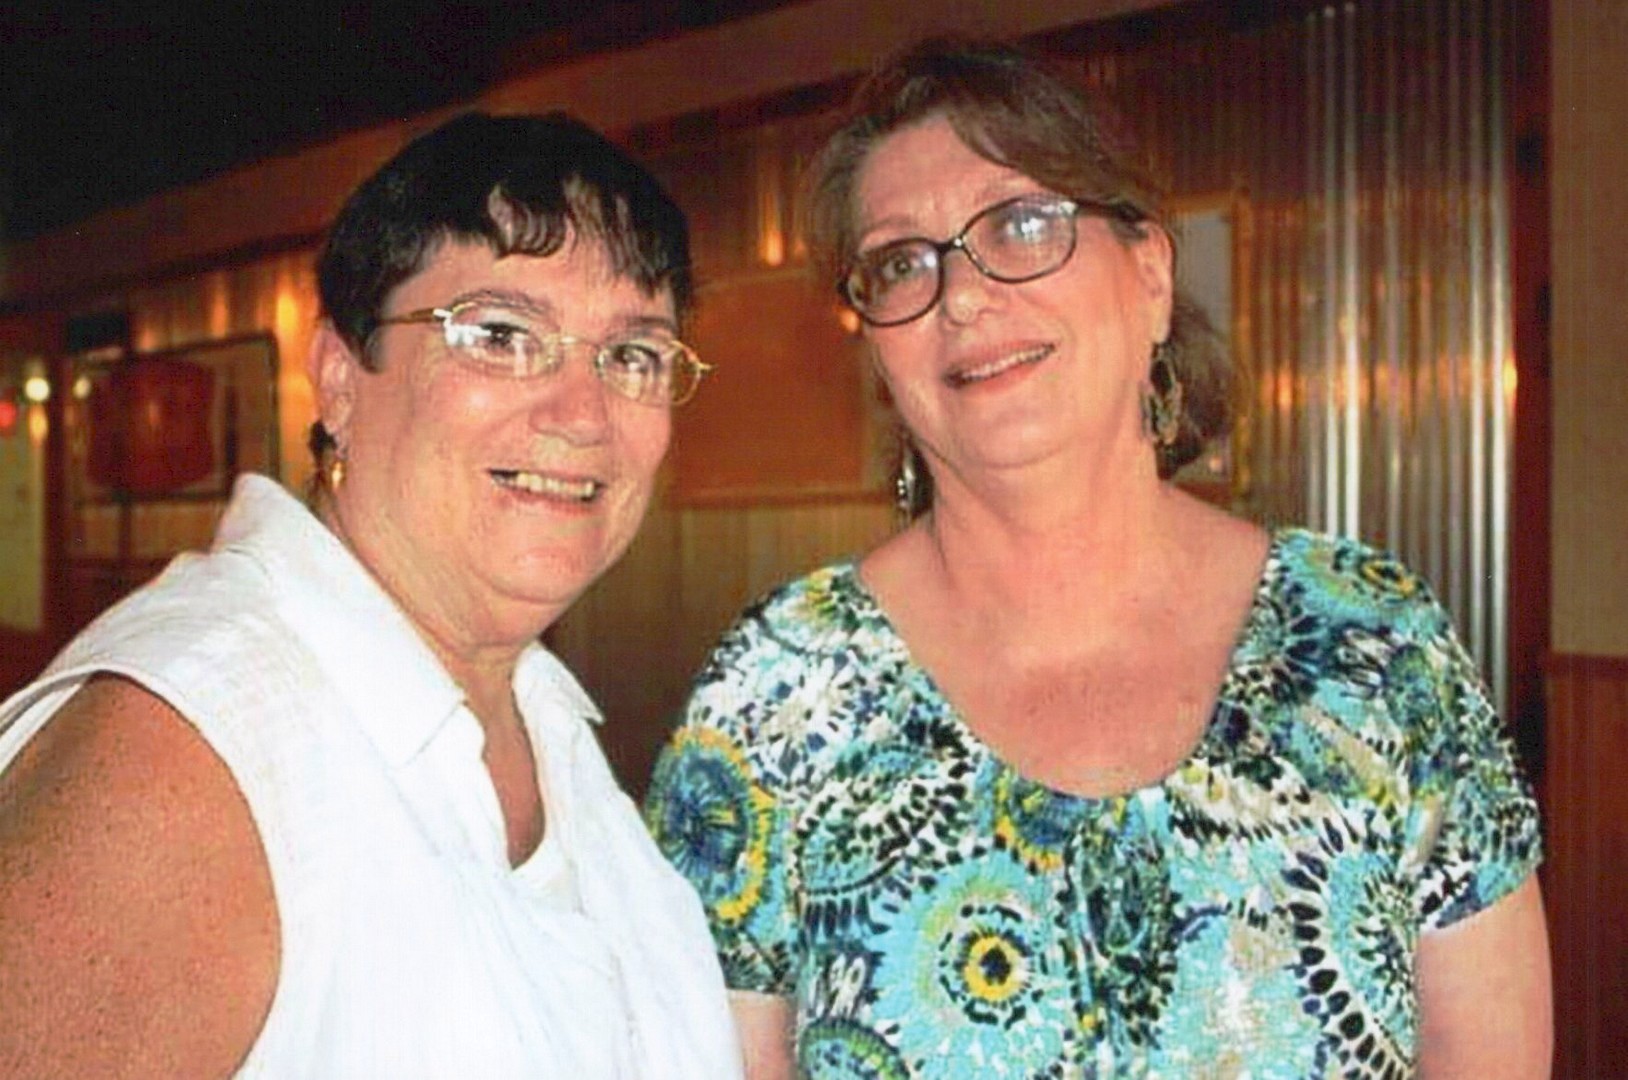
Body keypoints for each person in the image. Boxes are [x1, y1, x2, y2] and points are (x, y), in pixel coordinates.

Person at [644, 39, 1550, 1079]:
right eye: (902, 262)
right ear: (878, 352)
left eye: (1022, 224)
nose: (962, 295)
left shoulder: (1373, 645)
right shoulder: (776, 693)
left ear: (1151, 275)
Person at [0, 112, 741, 1078]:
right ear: (341, 380)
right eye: (502, 335)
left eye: (633, 354)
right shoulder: (188, 754)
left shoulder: (541, 717)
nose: (583, 414)